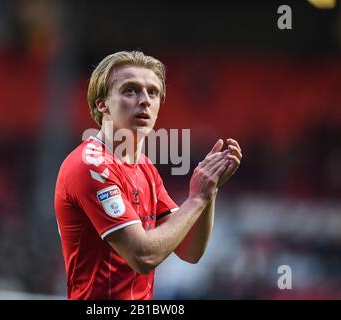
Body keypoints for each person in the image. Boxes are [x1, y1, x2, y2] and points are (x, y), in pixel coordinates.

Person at [54, 51, 242, 300]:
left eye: (152, 92)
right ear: (102, 104)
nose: (144, 100)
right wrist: (196, 199)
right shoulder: (90, 166)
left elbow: (190, 251)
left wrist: (209, 192)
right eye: (130, 90)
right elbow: (143, 257)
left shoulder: (145, 169)